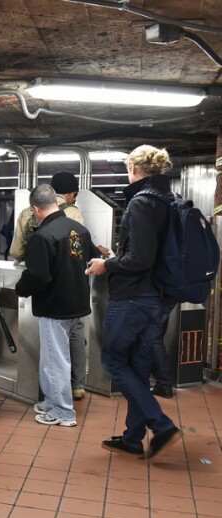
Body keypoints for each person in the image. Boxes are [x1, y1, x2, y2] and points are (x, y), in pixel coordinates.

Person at [87, 144, 182, 459]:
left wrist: (108, 265)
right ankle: (132, 438)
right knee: (138, 367)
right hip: (158, 297)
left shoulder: (141, 203)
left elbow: (140, 258)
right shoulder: (167, 200)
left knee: (114, 360)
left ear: (133, 170)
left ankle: (161, 424)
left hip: (134, 298)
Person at [15, 184, 98, 427]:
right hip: (78, 303)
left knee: (55, 359)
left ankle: (63, 412)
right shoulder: (78, 229)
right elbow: (93, 258)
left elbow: (39, 276)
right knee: (53, 358)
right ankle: (51, 402)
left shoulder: (43, 236)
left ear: (35, 209)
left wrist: (21, 289)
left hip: (55, 306)